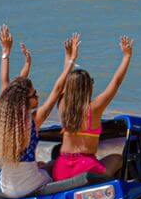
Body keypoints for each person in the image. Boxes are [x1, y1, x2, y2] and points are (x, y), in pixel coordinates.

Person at [0, 35, 79, 198]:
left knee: (42, 165)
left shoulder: (5, 122)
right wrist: (71, 61)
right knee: (55, 166)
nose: (37, 96)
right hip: (28, 186)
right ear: (24, 101)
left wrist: (5, 53)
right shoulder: (32, 121)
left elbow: (5, 83)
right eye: (34, 94)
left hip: (6, 187)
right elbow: (57, 90)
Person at [52, 36, 134, 181]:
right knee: (118, 158)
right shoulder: (94, 108)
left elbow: (63, 85)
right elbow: (116, 82)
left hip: (61, 168)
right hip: (85, 166)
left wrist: (69, 59)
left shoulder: (63, 107)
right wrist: (127, 56)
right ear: (88, 87)